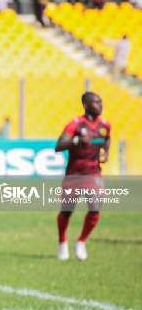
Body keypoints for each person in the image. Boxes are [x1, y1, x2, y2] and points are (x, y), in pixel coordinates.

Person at [54, 92, 111, 261]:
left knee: (95, 207)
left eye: (101, 102)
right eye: (96, 102)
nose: (100, 105)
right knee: (66, 212)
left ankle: (81, 241)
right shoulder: (75, 124)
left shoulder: (105, 125)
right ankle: (62, 241)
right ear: (85, 105)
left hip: (93, 173)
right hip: (74, 175)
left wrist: (105, 153)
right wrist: (77, 141)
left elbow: (107, 139)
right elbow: (58, 146)